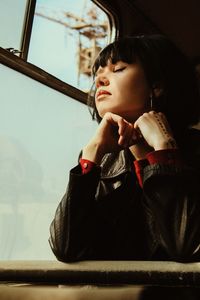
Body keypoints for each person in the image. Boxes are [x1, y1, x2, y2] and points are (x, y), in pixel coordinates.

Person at [49, 34, 200, 263]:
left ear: (156, 86)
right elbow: (66, 249)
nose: (100, 80)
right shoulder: (101, 159)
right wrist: (91, 155)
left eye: (117, 69)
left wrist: (163, 150)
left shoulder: (194, 149)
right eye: (97, 74)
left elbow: (187, 247)